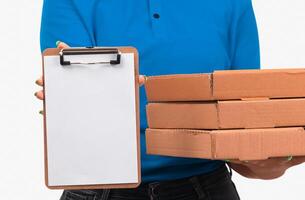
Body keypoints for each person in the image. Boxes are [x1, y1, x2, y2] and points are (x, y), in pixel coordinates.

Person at [35, 0, 305, 199]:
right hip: (100, 193)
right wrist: (75, 106)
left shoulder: (232, 4)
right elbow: (79, 137)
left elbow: (241, 134)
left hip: (207, 189)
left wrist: (274, 158)